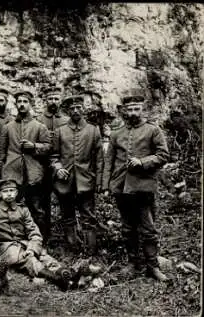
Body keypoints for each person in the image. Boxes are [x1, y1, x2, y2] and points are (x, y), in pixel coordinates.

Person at [103, 89, 170, 281]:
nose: (132, 113)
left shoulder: (153, 130)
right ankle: (133, 263)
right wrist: (107, 186)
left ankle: (153, 265)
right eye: (129, 109)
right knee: (127, 228)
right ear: (123, 110)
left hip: (142, 187)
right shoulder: (116, 134)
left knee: (148, 228)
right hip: (121, 188)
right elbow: (109, 161)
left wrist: (143, 162)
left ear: (142, 109)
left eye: (136, 109)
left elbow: (163, 155)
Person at [0, 179, 76, 292]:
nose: (9, 194)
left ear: (17, 193)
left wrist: (32, 248)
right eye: (5, 191)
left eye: (12, 190)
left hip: (24, 243)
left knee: (44, 256)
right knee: (28, 259)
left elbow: (33, 231)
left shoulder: (22, 210)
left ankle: (64, 273)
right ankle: (56, 279)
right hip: (6, 247)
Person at [50, 95, 103, 255]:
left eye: (78, 107)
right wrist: (58, 168)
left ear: (83, 109)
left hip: (86, 181)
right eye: (72, 108)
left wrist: (99, 182)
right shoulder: (60, 131)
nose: (75, 111)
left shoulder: (93, 131)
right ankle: (72, 250)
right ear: (68, 111)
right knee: (67, 216)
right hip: (65, 182)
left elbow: (99, 159)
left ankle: (90, 253)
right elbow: (53, 156)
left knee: (88, 217)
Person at [0, 90, 51, 241]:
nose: (22, 105)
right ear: (15, 105)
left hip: (33, 173)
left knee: (36, 208)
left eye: (25, 102)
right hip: (12, 173)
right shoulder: (8, 127)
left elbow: (48, 147)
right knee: (13, 207)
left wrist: (33, 146)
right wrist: (1, 171)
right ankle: (15, 239)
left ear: (30, 104)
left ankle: (40, 240)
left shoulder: (39, 127)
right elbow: (2, 153)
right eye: (19, 102)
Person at [36, 84, 69, 244]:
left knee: (65, 198)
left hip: (60, 165)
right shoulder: (39, 120)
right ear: (45, 101)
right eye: (50, 99)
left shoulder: (66, 120)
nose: (53, 101)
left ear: (60, 100)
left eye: (56, 98)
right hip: (42, 166)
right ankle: (45, 234)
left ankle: (66, 235)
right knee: (43, 201)